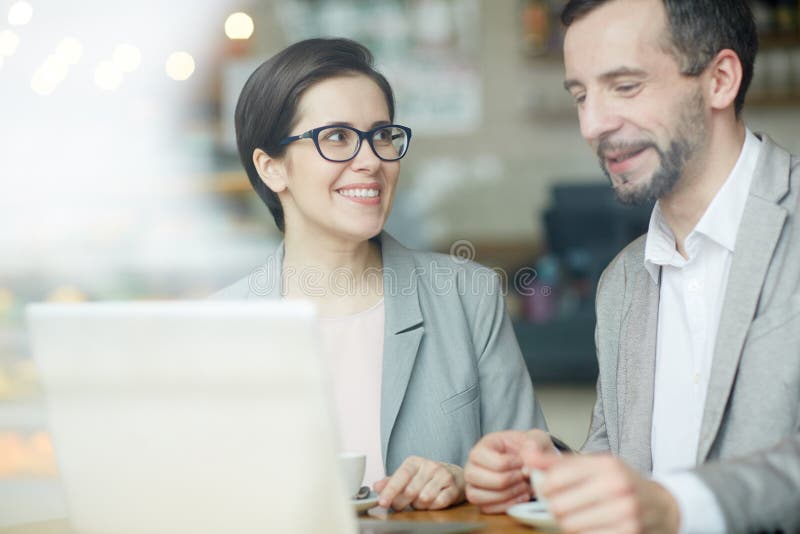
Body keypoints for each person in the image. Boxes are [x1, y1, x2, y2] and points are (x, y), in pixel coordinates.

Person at [464, 0, 800, 532]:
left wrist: (676, 506)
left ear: (720, 79)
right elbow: (625, 472)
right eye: (580, 94)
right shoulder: (622, 280)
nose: (593, 124)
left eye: (625, 86)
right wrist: (543, 472)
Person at [215, 38, 547, 511]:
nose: (371, 160)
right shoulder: (222, 325)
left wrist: (466, 481)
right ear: (272, 168)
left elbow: (535, 476)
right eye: (336, 137)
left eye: (383, 135)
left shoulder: (466, 295)